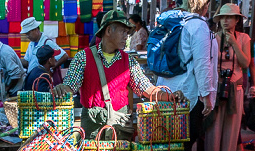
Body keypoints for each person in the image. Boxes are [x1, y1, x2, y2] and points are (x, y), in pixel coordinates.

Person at [54, 10, 184, 140]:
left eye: (127, 33)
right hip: (92, 129)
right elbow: (71, 85)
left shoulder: (129, 61)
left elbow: (145, 87)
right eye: (123, 31)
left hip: (119, 128)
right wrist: (61, 89)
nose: (126, 37)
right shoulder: (83, 57)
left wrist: (169, 96)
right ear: (109, 31)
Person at [156, 0, 218, 151]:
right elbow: (202, 63)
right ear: (202, 5)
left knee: (168, 142)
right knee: (184, 145)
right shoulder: (198, 26)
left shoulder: (169, 20)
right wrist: (207, 96)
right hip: (188, 93)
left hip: (166, 90)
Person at [203, 4, 250, 151]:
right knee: (214, 125)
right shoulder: (213, 38)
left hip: (234, 86)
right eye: (222, 17)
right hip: (217, 86)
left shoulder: (244, 38)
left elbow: (245, 63)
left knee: (231, 127)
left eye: (230, 17)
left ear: (237, 20)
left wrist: (234, 44)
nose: (225, 21)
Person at [20, 17, 68, 85]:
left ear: (36, 29)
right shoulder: (31, 44)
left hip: (42, 80)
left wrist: (52, 67)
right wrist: (15, 59)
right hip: (33, 79)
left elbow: (64, 56)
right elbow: (27, 62)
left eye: (28, 33)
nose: (27, 36)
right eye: (26, 34)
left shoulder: (47, 42)